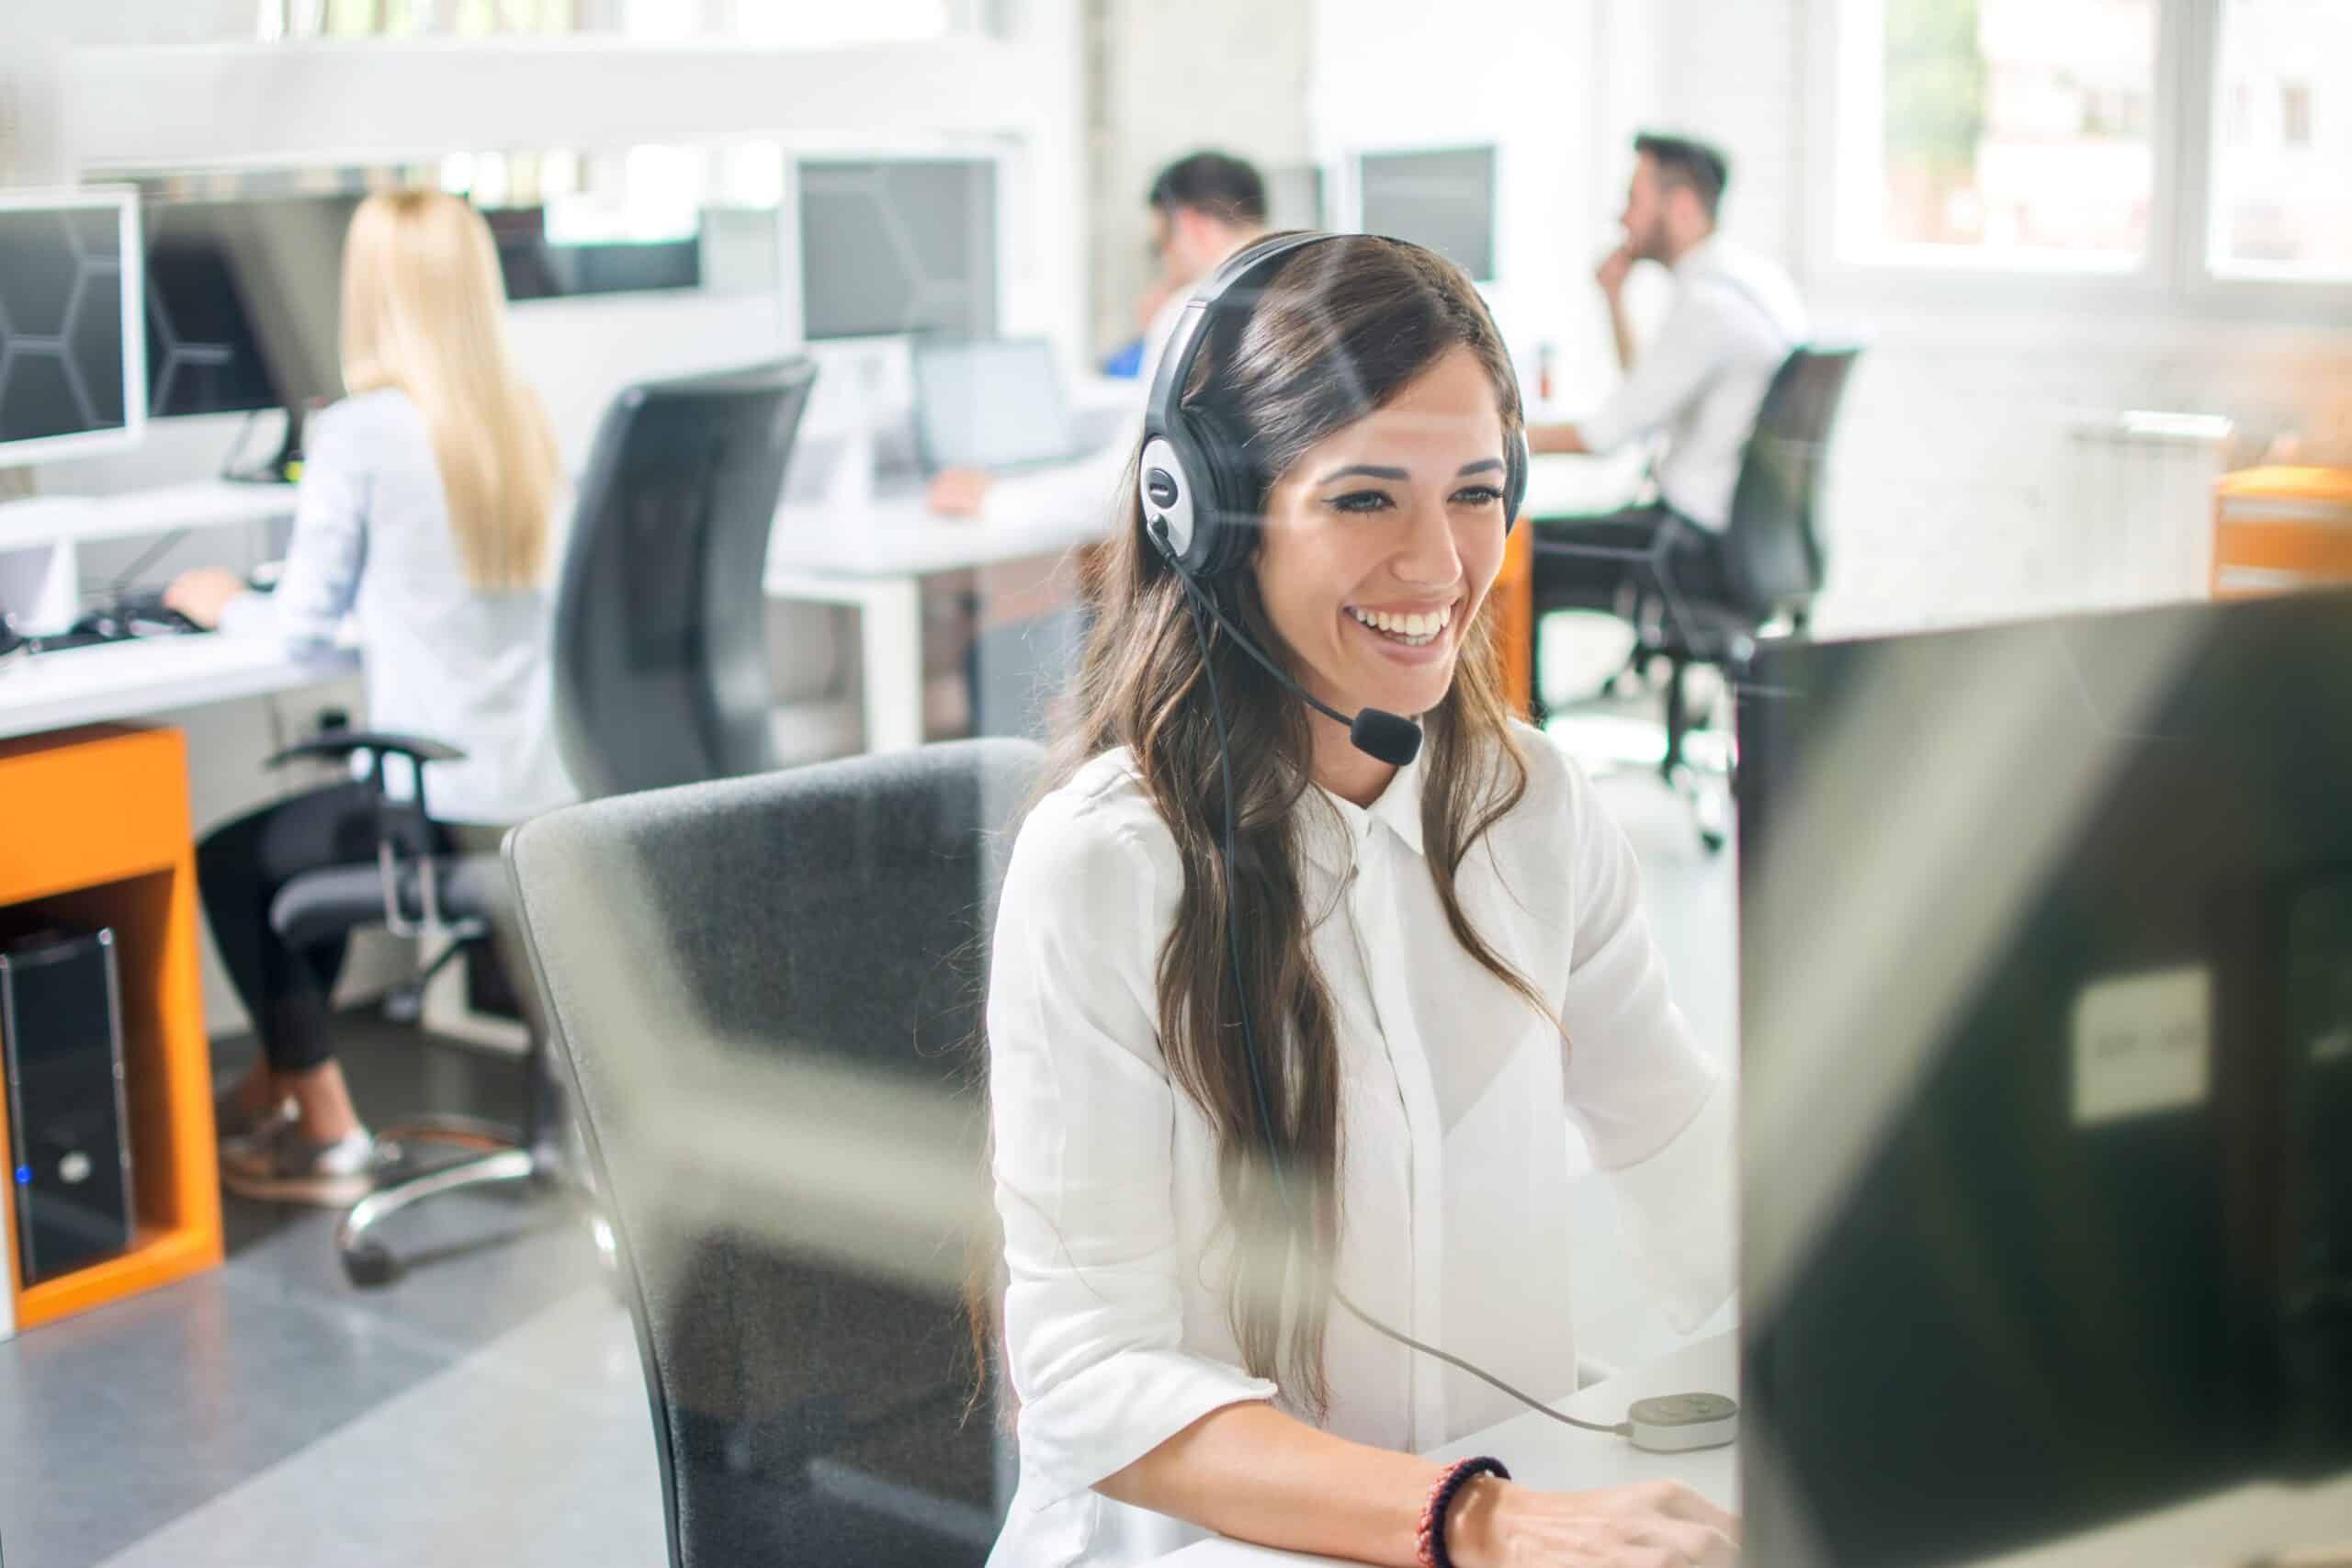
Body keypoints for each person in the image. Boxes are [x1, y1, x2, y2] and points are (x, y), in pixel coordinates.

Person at [981, 232, 1737, 1567]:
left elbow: (1681, 1152)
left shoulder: (1532, 805)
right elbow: (1094, 1378)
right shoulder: (1106, 867)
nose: (1443, 563)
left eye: (1478, 492)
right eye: (1369, 498)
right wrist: (1476, 1517)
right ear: (1210, 515)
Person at [165, 190, 576, 1204]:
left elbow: (300, 632)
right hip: (533, 799)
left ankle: (328, 1132)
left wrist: (222, 607)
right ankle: (281, 1080)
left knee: (232, 862)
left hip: (430, 808)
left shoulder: (360, 434)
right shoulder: (519, 419)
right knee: (311, 846)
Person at [1525, 133, 1805, 614]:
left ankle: (1513, 695)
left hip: (1690, 548)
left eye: (1633, 199)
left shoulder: (1708, 306)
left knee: (1523, 553)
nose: (1622, 217)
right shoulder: (1750, 281)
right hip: (1752, 541)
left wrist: (1491, 440)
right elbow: (1649, 402)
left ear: (1679, 205)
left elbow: (1605, 436)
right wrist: (1614, 299)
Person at [925, 150, 1269, 523]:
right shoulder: (1311, 285)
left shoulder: (1195, 311)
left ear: (1188, 226)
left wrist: (996, 499)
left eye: (1159, 247)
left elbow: (1132, 483)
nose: (1163, 263)